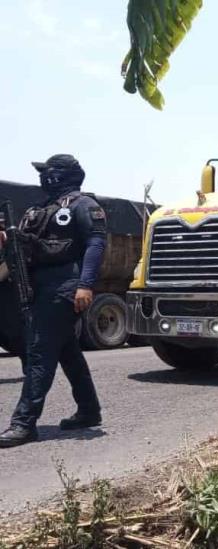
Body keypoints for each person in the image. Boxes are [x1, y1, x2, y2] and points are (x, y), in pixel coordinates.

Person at [0, 154, 106, 448]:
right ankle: (89, 410)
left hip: (64, 286)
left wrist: (85, 285)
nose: (43, 178)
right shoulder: (42, 209)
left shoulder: (84, 205)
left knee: (39, 353)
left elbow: (96, 244)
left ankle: (24, 424)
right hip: (39, 287)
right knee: (68, 351)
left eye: (48, 173)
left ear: (62, 176)